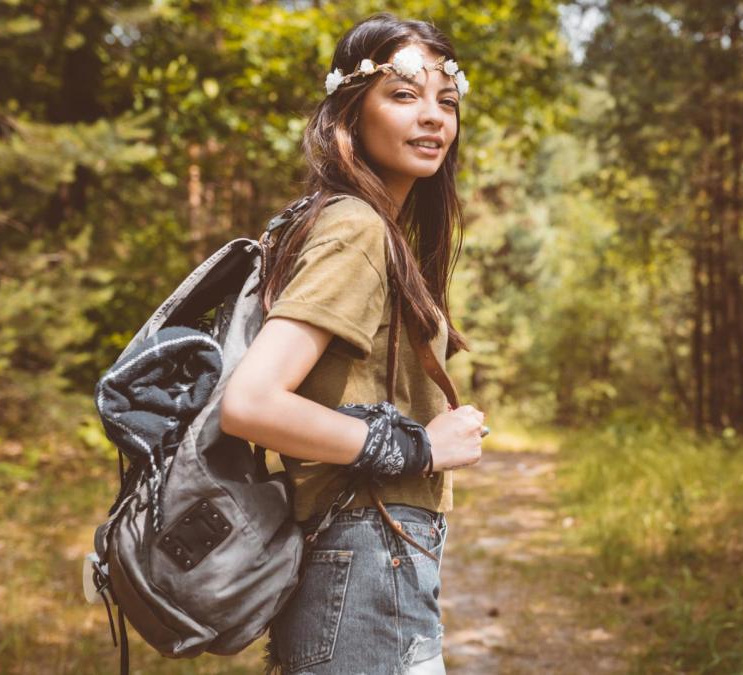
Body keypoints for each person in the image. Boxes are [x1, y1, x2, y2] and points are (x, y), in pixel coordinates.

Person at [218, 12, 484, 675]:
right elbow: (250, 402)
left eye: (445, 102)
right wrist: (421, 444)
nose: (432, 118)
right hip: (367, 554)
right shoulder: (357, 226)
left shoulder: (370, 226)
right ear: (351, 110)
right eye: (403, 95)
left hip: (374, 555)